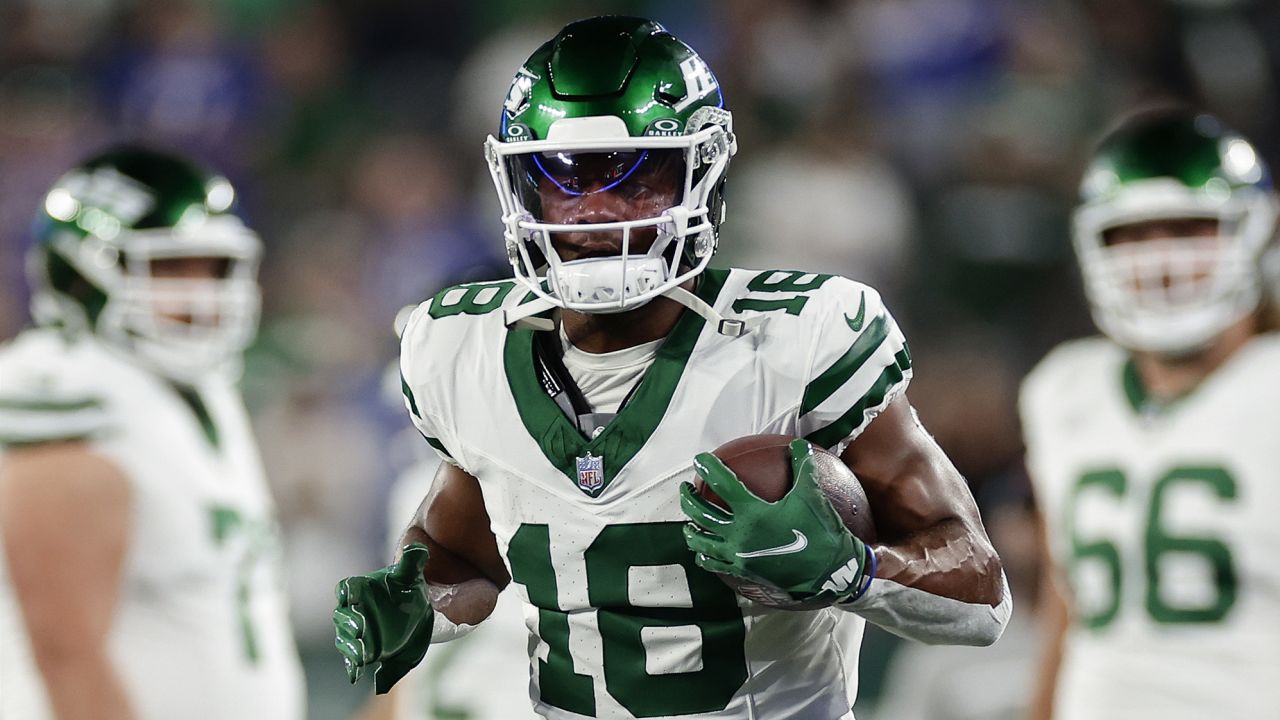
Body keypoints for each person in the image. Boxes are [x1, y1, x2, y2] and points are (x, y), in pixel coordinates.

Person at [334, 16, 1010, 720]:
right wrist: (414, 602)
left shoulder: (800, 343)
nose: (596, 207)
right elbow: (464, 558)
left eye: (635, 174)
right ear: (520, 185)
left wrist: (854, 571)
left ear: (702, 172)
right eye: (563, 176)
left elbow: (983, 597)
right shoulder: (462, 348)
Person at [0, 147, 305, 720]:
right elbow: (67, 651)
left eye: (211, 268)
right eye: (168, 268)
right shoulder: (67, 394)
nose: (200, 294)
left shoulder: (203, 390)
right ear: (79, 273)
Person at [1021, 109, 1280, 719]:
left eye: (1188, 228)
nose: (1159, 258)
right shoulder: (1063, 389)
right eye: (1134, 234)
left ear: (1254, 232)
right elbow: (1067, 599)